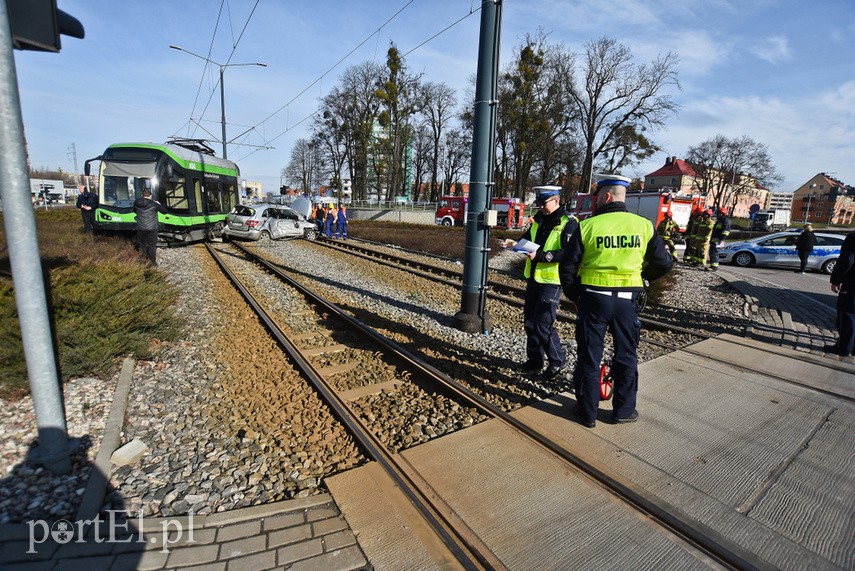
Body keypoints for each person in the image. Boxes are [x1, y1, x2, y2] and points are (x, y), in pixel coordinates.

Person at [559, 174, 674, 427]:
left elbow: (567, 267)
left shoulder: (588, 226)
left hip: (594, 299)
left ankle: (587, 414)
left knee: (590, 357)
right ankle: (624, 411)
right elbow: (665, 263)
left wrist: (575, 296)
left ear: (606, 196)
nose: (595, 201)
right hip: (627, 302)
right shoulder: (643, 225)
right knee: (626, 355)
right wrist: (642, 278)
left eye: (597, 197)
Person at [514, 185, 578, 380]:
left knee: (543, 324)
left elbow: (569, 252)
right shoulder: (539, 219)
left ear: (556, 200)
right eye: (539, 203)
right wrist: (514, 245)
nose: (540, 207)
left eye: (544, 203)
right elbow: (526, 239)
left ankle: (557, 360)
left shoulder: (569, 222)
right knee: (530, 322)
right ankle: (535, 360)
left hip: (552, 280)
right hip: (534, 277)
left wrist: (541, 255)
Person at [826, 230, 855, 356]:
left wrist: (836, 279)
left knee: (847, 316)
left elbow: (847, 260)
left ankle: (844, 348)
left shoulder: (853, 237)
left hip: (852, 285)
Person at [133, 189, 169, 266]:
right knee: (152, 245)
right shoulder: (154, 204)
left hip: (141, 228)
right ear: (150, 195)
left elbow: (134, 211)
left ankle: (142, 261)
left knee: (142, 245)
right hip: (152, 228)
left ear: (142, 195)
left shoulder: (136, 203)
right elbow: (165, 211)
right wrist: (159, 204)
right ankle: (152, 262)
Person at [707, 207, 731, 271]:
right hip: (714, 240)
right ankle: (712, 265)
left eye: (720, 213)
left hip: (718, 241)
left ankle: (714, 267)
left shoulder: (726, 221)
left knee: (715, 253)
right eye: (718, 213)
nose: (718, 215)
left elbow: (726, 231)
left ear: (724, 214)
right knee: (712, 253)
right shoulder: (719, 221)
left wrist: (721, 239)